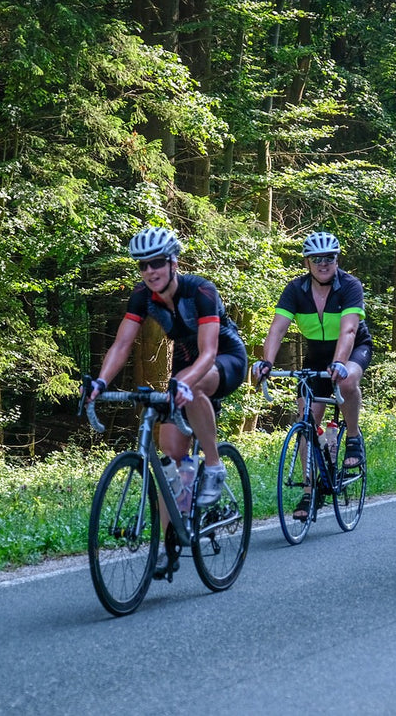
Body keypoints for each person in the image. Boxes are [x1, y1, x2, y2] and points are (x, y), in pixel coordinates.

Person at [86, 225, 248, 578]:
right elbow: (121, 345)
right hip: (186, 365)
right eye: (142, 266)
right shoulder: (142, 297)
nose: (150, 272)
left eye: (157, 263)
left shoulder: (200, 290)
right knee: (171, 457)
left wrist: (182, 383)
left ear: (174, 262)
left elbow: (207, 353)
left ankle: (216, 466)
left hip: (224, 358)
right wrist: (100, 382)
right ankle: (165, 543)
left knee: (194, 386)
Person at [252, 231, 374, 521]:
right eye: (317, 259)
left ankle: (353, 438)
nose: (323, 264)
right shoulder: (295, 290)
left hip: (353, 349)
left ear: (337, 259)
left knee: (345, 380)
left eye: (329, 258)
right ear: (307, 261)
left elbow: (349, 331)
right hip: (317, 355)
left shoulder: (350, 286)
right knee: (306, 420)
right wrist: (266, 361)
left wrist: (340, 363)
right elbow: (277, 329)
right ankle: (309, 492)